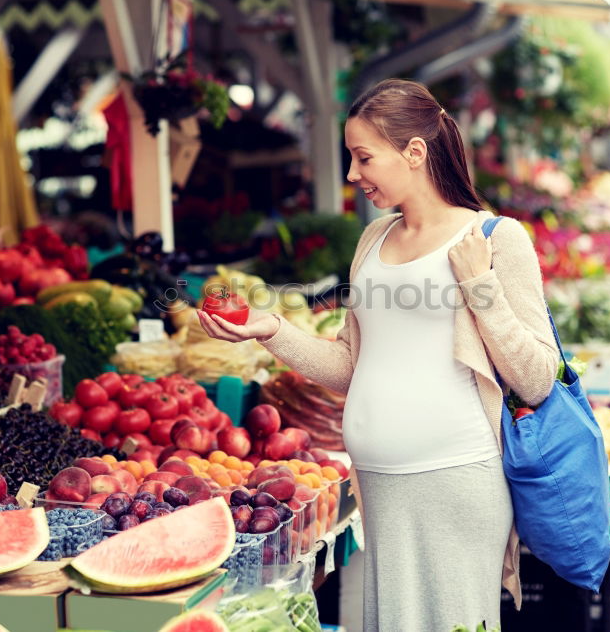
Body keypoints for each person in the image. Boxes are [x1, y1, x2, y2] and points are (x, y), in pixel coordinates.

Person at [198, 79, 559, 631]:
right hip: (379, 482)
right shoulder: (373, 240)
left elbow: (537, 379)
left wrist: (480, 285)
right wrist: (270, 330)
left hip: (455, 479)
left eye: (363, 157)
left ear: (414, 153)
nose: (351, 174)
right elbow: (350, 366)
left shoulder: (495, 239)